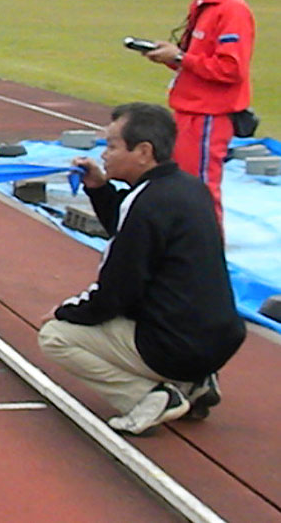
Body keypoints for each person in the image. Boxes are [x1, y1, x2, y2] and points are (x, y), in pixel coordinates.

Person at [38, 103, 245, 435]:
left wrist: (65, 312)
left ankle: (148, 397)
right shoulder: (187, 188)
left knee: (55, 337)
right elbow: (130, 225)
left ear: (143, 152)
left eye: (112, 146)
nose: (104, 155)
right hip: (219, 338)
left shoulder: (147, 203)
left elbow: (115, 293)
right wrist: (99, 188)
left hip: (176, 346)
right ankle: (194, 383)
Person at [140, 0, 255, 227]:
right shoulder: (202, 4)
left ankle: (206, 266)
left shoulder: (231, 9)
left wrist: (181, 57)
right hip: (188, 112)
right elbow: (198, 59)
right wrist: (172, 57)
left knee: (201, 194)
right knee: (184, 191)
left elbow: (231, 69)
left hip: (208, 117)